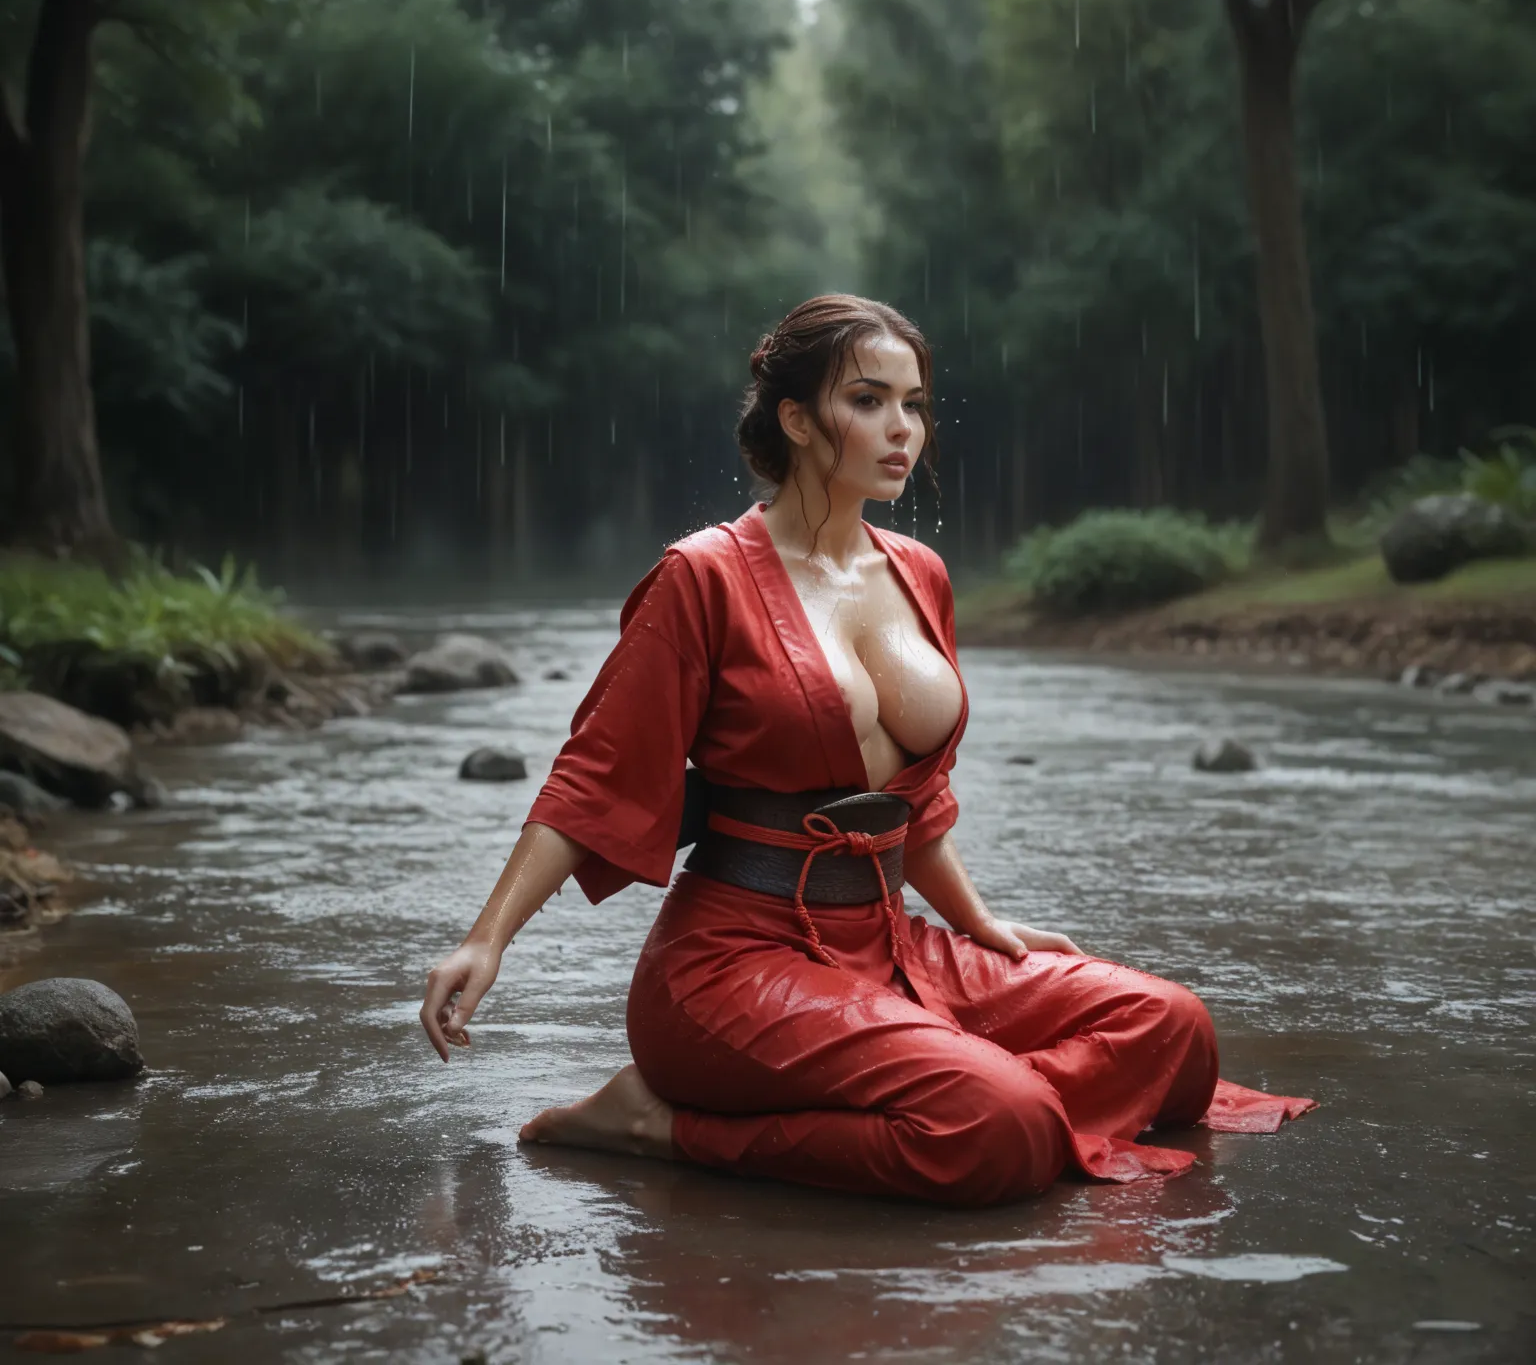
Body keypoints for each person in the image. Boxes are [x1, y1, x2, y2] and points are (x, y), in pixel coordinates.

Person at [420, 294, 1314, 1207]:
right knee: (996, 1127)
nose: (902, 430)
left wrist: (978, 922)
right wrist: (485, 942)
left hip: (891, 942)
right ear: (798, 420)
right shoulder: (703, 577)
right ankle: (663, 1123)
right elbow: (594, 776)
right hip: (735, 964)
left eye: (915, 404)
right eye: (869, 401)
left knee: (1173, 1029)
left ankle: (962, 1085)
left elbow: (916, 803)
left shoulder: (920, 574)